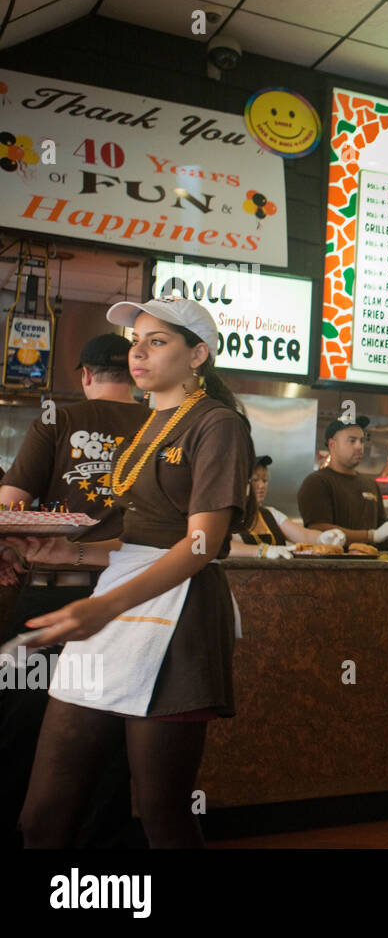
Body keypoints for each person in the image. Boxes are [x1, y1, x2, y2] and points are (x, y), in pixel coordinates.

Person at [9, 295, 257, 848]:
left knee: (159, 810)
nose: (138, 353)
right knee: (44, 811)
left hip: (178, 614)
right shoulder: (150, 423)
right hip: (118, 598)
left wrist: (101, 607)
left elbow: (200, 545)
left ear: (198, 354)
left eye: (157, 341)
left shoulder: (217, 425)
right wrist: (61, 552)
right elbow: (141, 538)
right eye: (135, 342)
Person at [0, 333, 150, 846]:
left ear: (85, 375)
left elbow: (8, 510)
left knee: (22, 728)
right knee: (112, 738)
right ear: (134, 375)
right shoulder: (161, 427)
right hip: (132, 605)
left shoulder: (57, 420)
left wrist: (25, 547)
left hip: (51, 600)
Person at [296, 418, 388, 547]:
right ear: (332, 444)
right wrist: (370, 536)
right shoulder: (317, 482)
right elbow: (318, 530)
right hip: (333, 559)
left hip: (371, 559)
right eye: (352, 441)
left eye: (361, 441)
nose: (359, 446)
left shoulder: (370, 485)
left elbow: (379, 532)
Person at [228, 456, 346, 558]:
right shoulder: (228, 515)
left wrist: (322, 538)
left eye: (264, 480)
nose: (261, 485)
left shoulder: (269, 514)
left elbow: (303, 535)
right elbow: (221, 547)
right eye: (255, 480)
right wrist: (262, 551)